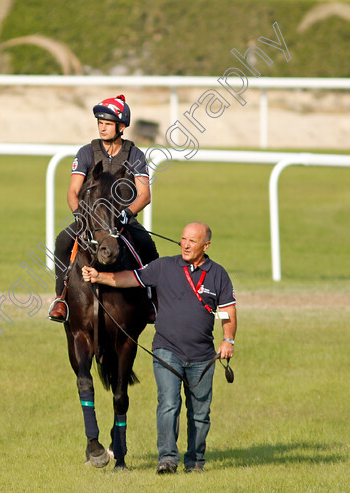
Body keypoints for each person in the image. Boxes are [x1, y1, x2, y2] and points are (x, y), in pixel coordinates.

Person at [81, 222, 237, 474]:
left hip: (202, 356)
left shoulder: (218, 274)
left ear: (205, 246)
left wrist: (227, 340)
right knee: (168, 405)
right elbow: (131, 278)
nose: (185, 244)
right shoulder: (164, 266)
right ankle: (167, 459)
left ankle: (195, 461)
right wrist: (100, 277)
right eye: (183, 239)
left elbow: (228, 310)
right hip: (167, 352)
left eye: (192, 241)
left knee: (200, 413)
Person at [47, 94, 158, 323]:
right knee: (62, 241)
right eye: (100, 123)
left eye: (107, 124)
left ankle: (152, 300)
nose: (102, 128)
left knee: (148, 246)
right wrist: (79, 214)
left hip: (123, 220)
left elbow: (145, 195)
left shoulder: (135, 155)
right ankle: (61, 297)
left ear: (121, 126)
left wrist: (128, 213)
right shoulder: (86, 152)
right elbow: (72, 192)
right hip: (91, 220)